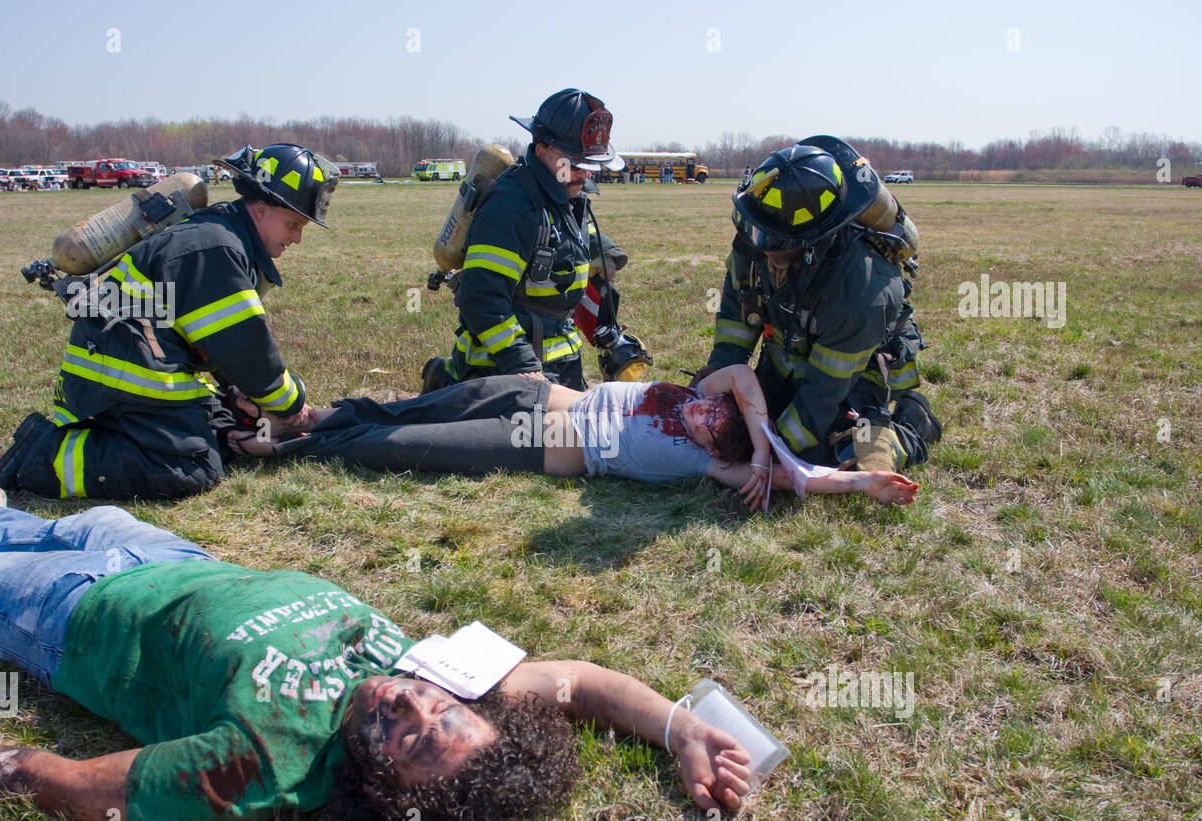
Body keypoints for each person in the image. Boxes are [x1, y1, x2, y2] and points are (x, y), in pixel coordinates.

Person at [0, 490, 752, 821]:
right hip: (173, 554)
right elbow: (577, 685)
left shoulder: (263, 765)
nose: (405, 701)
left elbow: (73, 787)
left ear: (379, 788)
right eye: (438, 709)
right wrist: (682, 728)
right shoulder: (442, 680)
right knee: (57, 521)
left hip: (72, 617)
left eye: (404, 739)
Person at [0, 143, 340, 500]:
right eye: (293, 223)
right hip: (122, 384)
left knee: (229, 425)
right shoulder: (215, 249)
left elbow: (216, 347)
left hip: (130, 368)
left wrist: (241, 399)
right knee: (191, 468)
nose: (296, 237)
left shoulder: (219, 236)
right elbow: (248, 354)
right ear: (262, 208)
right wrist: (296, 410)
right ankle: (40, 456)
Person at [234, 366, 920, 510]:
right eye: (716, 417)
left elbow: (801, 479)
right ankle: (310, 416)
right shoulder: (710, 398)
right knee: (413, 406)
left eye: (716, 436)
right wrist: (763, 437)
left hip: (536, 443)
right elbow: (742, 375)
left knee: (405, 446)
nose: (704, 423)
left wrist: (861, 481)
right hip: (539, 393)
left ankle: (282, 448)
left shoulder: (709, 465)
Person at [691, 136, 942, 474]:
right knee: (735, 427)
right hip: (786, 360)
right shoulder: (756, 241)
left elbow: (824, 393)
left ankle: (912, 420)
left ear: (809, 243)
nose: (756, 243)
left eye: (769, 239)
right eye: (752, 229)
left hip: (853, 378)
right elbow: (737, 319)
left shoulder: (860, 288)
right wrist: (716, 388)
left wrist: (775, 449)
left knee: (832, 457)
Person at [420, 89, 627, 394]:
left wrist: (606, 256)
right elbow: (481, 299)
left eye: (590, 165)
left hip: (560, 365)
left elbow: (572, 241)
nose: (583, 174)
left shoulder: (566, 193)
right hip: (497, 371)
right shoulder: (511, 207)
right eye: (574, 163)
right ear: (542, 151)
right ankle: (447, 382)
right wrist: (522, 365)